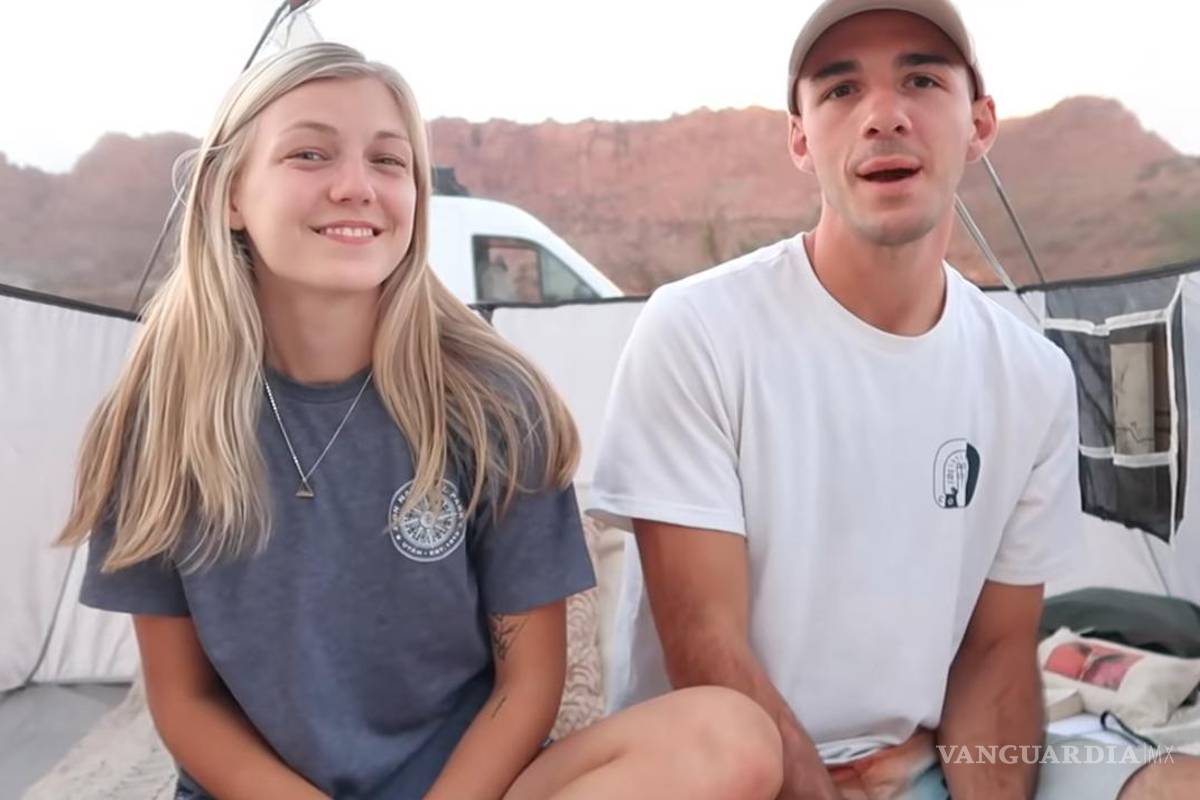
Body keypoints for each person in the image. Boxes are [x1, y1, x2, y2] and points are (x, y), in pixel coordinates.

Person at [58, 42, 782, 800]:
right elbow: (183, 699)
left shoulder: (492, 403)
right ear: (230, 194)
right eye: (310, 153)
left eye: (388, 161)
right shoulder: (161, 416)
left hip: (465, 790)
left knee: (727, 738)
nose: (356, 187)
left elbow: (526, 687)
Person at [588, 1, 1200, 798]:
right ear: (800, 138)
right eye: (840, 91)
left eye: (920, 79)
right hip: (733, 769)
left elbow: (995, 656)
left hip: (918, 762)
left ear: (979, 123)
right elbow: (705, 644)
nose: (883, 116)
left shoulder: (1030, 374)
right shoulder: (700, 328)